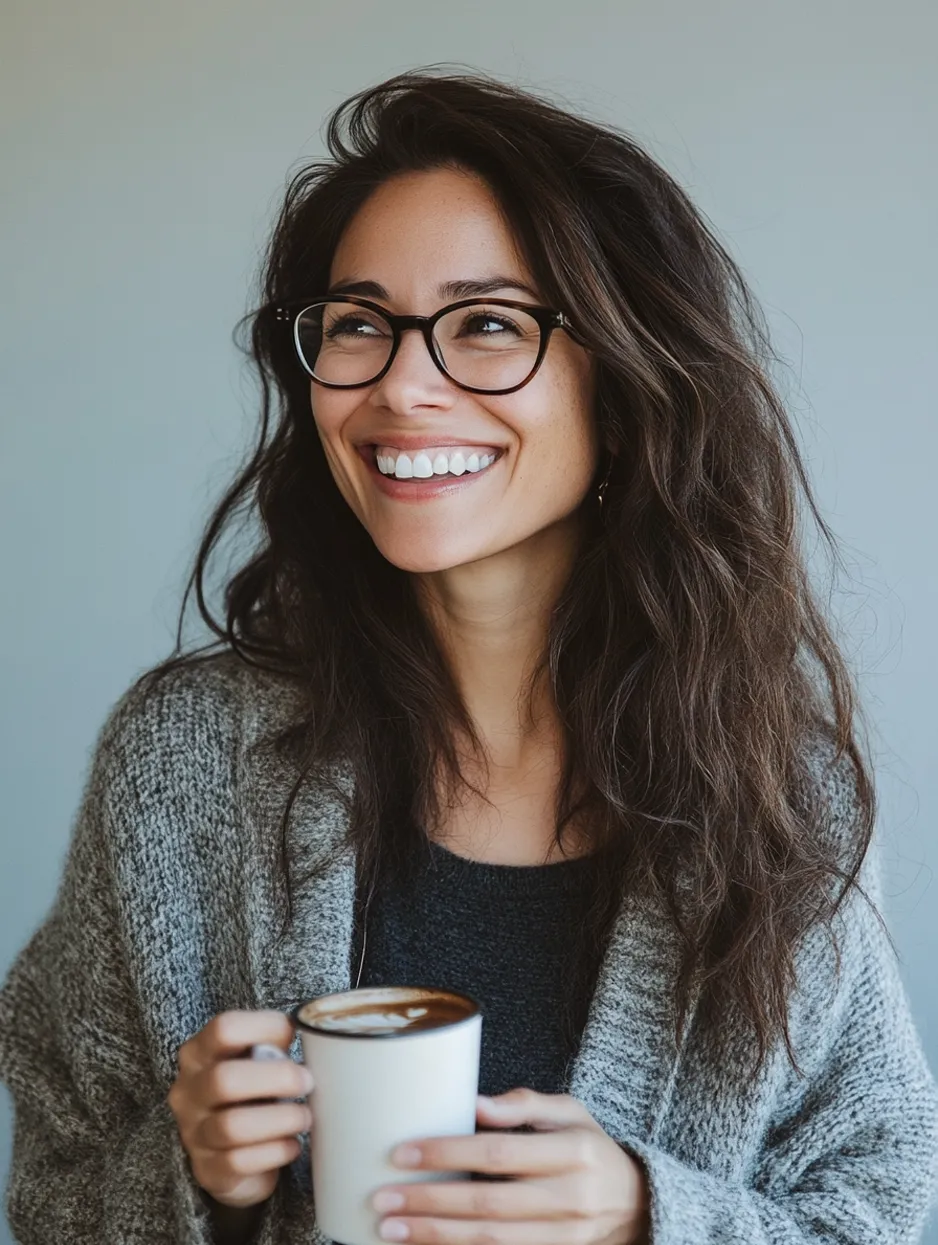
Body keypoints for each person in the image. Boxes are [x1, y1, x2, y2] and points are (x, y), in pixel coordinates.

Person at [1, 66, 936, 1245]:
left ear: (621, 382)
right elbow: (51, 1192)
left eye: (486, 325)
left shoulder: (772, 789)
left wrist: (648, 1217)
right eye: (357, 325)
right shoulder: (181, 761)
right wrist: (192, 1175)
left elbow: (880, 1202)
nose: (400, 386)